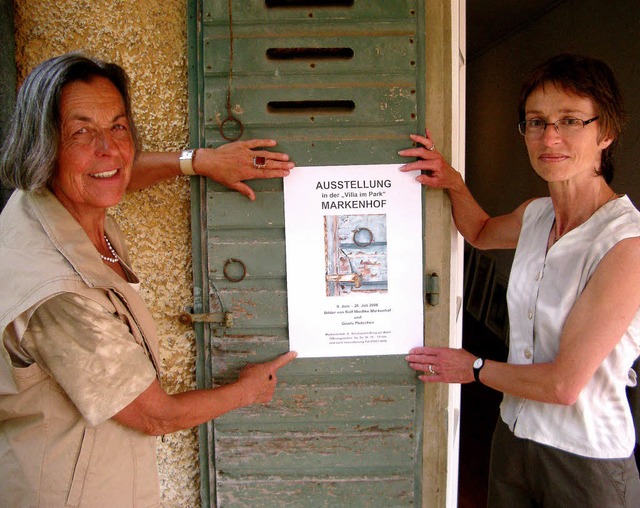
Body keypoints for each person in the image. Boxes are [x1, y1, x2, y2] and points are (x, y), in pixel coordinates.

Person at [0, 52, 297, 507]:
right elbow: (154, 416)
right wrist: (247, 392)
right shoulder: (58, 290)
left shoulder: (44, 200)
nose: (109, 148)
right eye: (81, 132)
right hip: (71, 492)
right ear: (43, 146)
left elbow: (109, 172)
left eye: (118, 127)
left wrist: (199, 162)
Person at [400, 54, 640, 507]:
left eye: (570, 120)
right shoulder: (538, 215)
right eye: (536, 122)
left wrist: (471, 368)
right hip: (514, 434)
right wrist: (452, 182)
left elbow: (563, 385)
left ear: (606, 132)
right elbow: (480, 231)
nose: (550, 137)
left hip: (584, 461)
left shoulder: (624, 244)